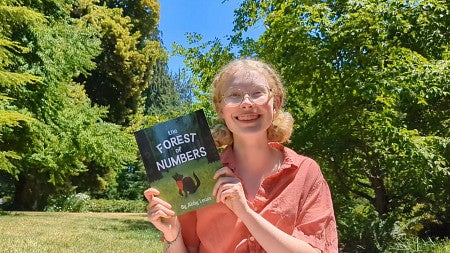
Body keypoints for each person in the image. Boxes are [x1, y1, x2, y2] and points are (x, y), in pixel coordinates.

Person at [144, 58, 338, 252]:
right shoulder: (201, 174)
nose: (246, 103)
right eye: (234, 95)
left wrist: (244, 212)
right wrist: (173, 235)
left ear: (276, 103)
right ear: (221, 109)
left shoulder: (305, 172)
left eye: (257, 93)